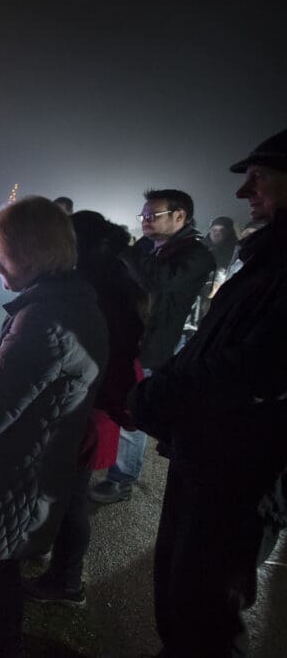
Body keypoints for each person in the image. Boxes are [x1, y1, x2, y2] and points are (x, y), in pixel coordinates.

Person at [130, 128, 287, 655]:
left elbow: (256, 364)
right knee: (182, 592)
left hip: (239, 461)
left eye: (258, 178)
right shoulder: (271, 256)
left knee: (205, 604)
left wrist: (165, 390)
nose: (245, 193)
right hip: (213, 450)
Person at [0, 197, 108, 656]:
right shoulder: (72, 302)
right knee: (2, 571)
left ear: (29, 252)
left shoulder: (44, 321)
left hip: (13, 476)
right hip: (34, 465)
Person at [23, 210, 145, 607]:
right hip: (91, 405)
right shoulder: (112, 280)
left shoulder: (96, 290)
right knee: (63, 491)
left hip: (86, 409)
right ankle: (52, 560)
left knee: (72, 496)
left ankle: (67, 581)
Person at [90, 189, 214, 504]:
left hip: (158, 344)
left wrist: (127, 252)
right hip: (129, 337)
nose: (145, 222)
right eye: (143, 215)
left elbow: (155, 281)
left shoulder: (196, 254)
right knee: (115, 399)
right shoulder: (149, 247)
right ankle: (103, 462)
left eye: (152, 215)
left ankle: (121, 480)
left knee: (134, 409)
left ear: (180, 216)